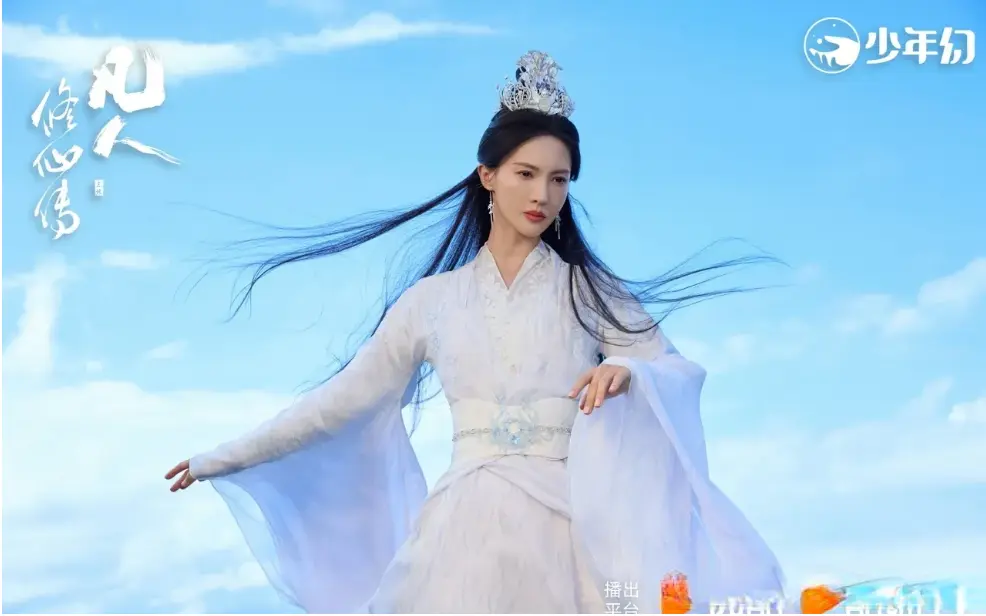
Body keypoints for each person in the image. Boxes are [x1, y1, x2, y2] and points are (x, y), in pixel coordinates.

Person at [165, 51, 786, 613]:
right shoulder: (432, 302)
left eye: (559, 179)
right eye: (525, 173)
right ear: (487, 175)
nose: (543, 194)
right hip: (462, 532)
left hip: (570, 528)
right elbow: (341, 401)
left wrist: (630, 369)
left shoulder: (587, 288)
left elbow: (673, 368)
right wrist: (222, 458)